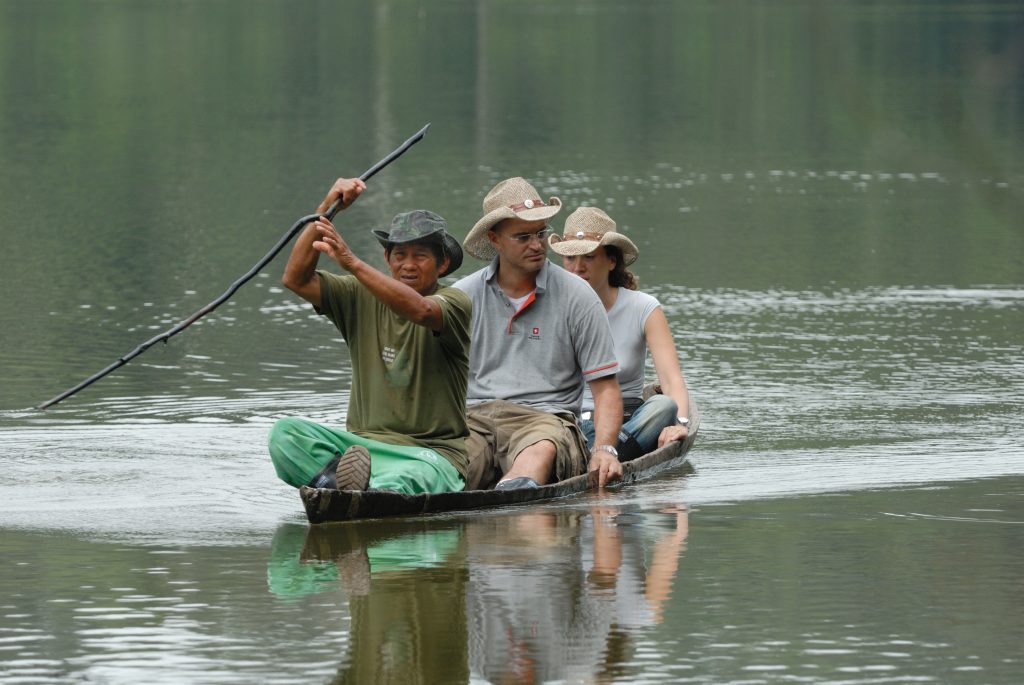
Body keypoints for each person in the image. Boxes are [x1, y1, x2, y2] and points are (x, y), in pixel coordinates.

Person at [267, 177, 472, 495]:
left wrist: (350, 262)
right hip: (362, 448)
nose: (407, 265)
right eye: (399, 255)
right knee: (285, 434)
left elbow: (421, 311)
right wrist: (325, 210)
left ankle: (365, 491)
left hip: (430, 453)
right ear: (388, 260)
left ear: (443, 264)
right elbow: (295, 279)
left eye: (420, 255)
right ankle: (340, 486)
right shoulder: (357, 294)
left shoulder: (454, 301)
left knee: (409, 477)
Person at [453, 177, 624, 490]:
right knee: (447, 469)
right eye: (523, 237)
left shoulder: (578, 295)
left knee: (539, 450)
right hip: (474, 421)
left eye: (541, 233)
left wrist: (604, 449)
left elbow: (606, 390)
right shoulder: (462, 296)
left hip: (546, 421)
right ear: (495, 239)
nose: (537, 244)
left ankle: (514, 500)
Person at [549, 206, 691, 460]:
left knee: (663, 406)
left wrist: (679, 424)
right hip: (571, 425)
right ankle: (601, 455)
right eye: (570, 258)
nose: (577, 268)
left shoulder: (643, 307)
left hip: (630, 422)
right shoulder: (548, 307)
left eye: (589, 257)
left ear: (611, 261)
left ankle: (600, 455)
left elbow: (671, 380)